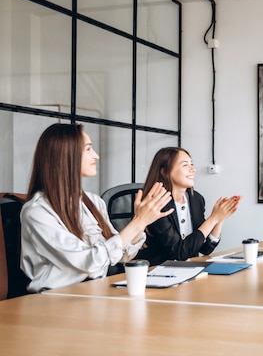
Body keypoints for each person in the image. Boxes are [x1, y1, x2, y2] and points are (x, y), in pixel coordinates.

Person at [20, 123, 173, 293]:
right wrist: (138, 222)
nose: (96, 156)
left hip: (96, 290)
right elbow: (89, 263)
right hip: (56, 298)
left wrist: (140, 223)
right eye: (88, 149)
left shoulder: (93, 201)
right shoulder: (36, 212)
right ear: (66, 155)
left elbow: (121, 255)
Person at [135, 147, 241, 266]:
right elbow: (179, 252)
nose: (193, 169)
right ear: (164, 171)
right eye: (185, 165)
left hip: (188, 271)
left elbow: (205, 248)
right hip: (156, 272)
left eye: (192, 164)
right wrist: (213, 219)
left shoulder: (196, 199)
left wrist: (219, 219)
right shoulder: (155, 204)